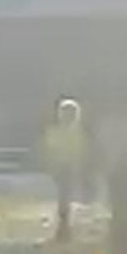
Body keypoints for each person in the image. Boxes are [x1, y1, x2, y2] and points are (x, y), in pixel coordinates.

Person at [39, 96, 89, 242]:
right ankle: (64, 226)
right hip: (60, 168)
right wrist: (51, 164)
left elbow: (81, 151)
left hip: (70, 168)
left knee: (65, 197)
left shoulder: (78, 133)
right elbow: (48, 150)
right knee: (64, 197)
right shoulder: (55, 131)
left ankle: (64, 226)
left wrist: (79, 165)